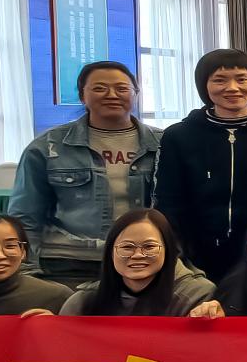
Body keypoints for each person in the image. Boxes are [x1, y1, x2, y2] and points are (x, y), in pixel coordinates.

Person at [8, 60, 161, 283]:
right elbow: (25, 216)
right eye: (99, 88)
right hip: (70, 262)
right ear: (82, 96)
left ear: (136, 94)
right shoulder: (47, 147)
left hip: (144, 259)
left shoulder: (164, 144)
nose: (111, 95)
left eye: (122, 88)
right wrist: (26, 271)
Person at [154, 47, 247, 281]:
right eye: (219, 80)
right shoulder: (179, 136)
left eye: (242, 79)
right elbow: (168, 200)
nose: (232, 88)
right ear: (204, 86)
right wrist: (177, 253)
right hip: (194, 256)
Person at [58, 209, 215, 315]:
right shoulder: (83, 301)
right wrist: (49, 324)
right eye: (127, 247)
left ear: (168, 250)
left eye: (149, 247)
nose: (138, 255)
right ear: (110, 253)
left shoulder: (197, 296)